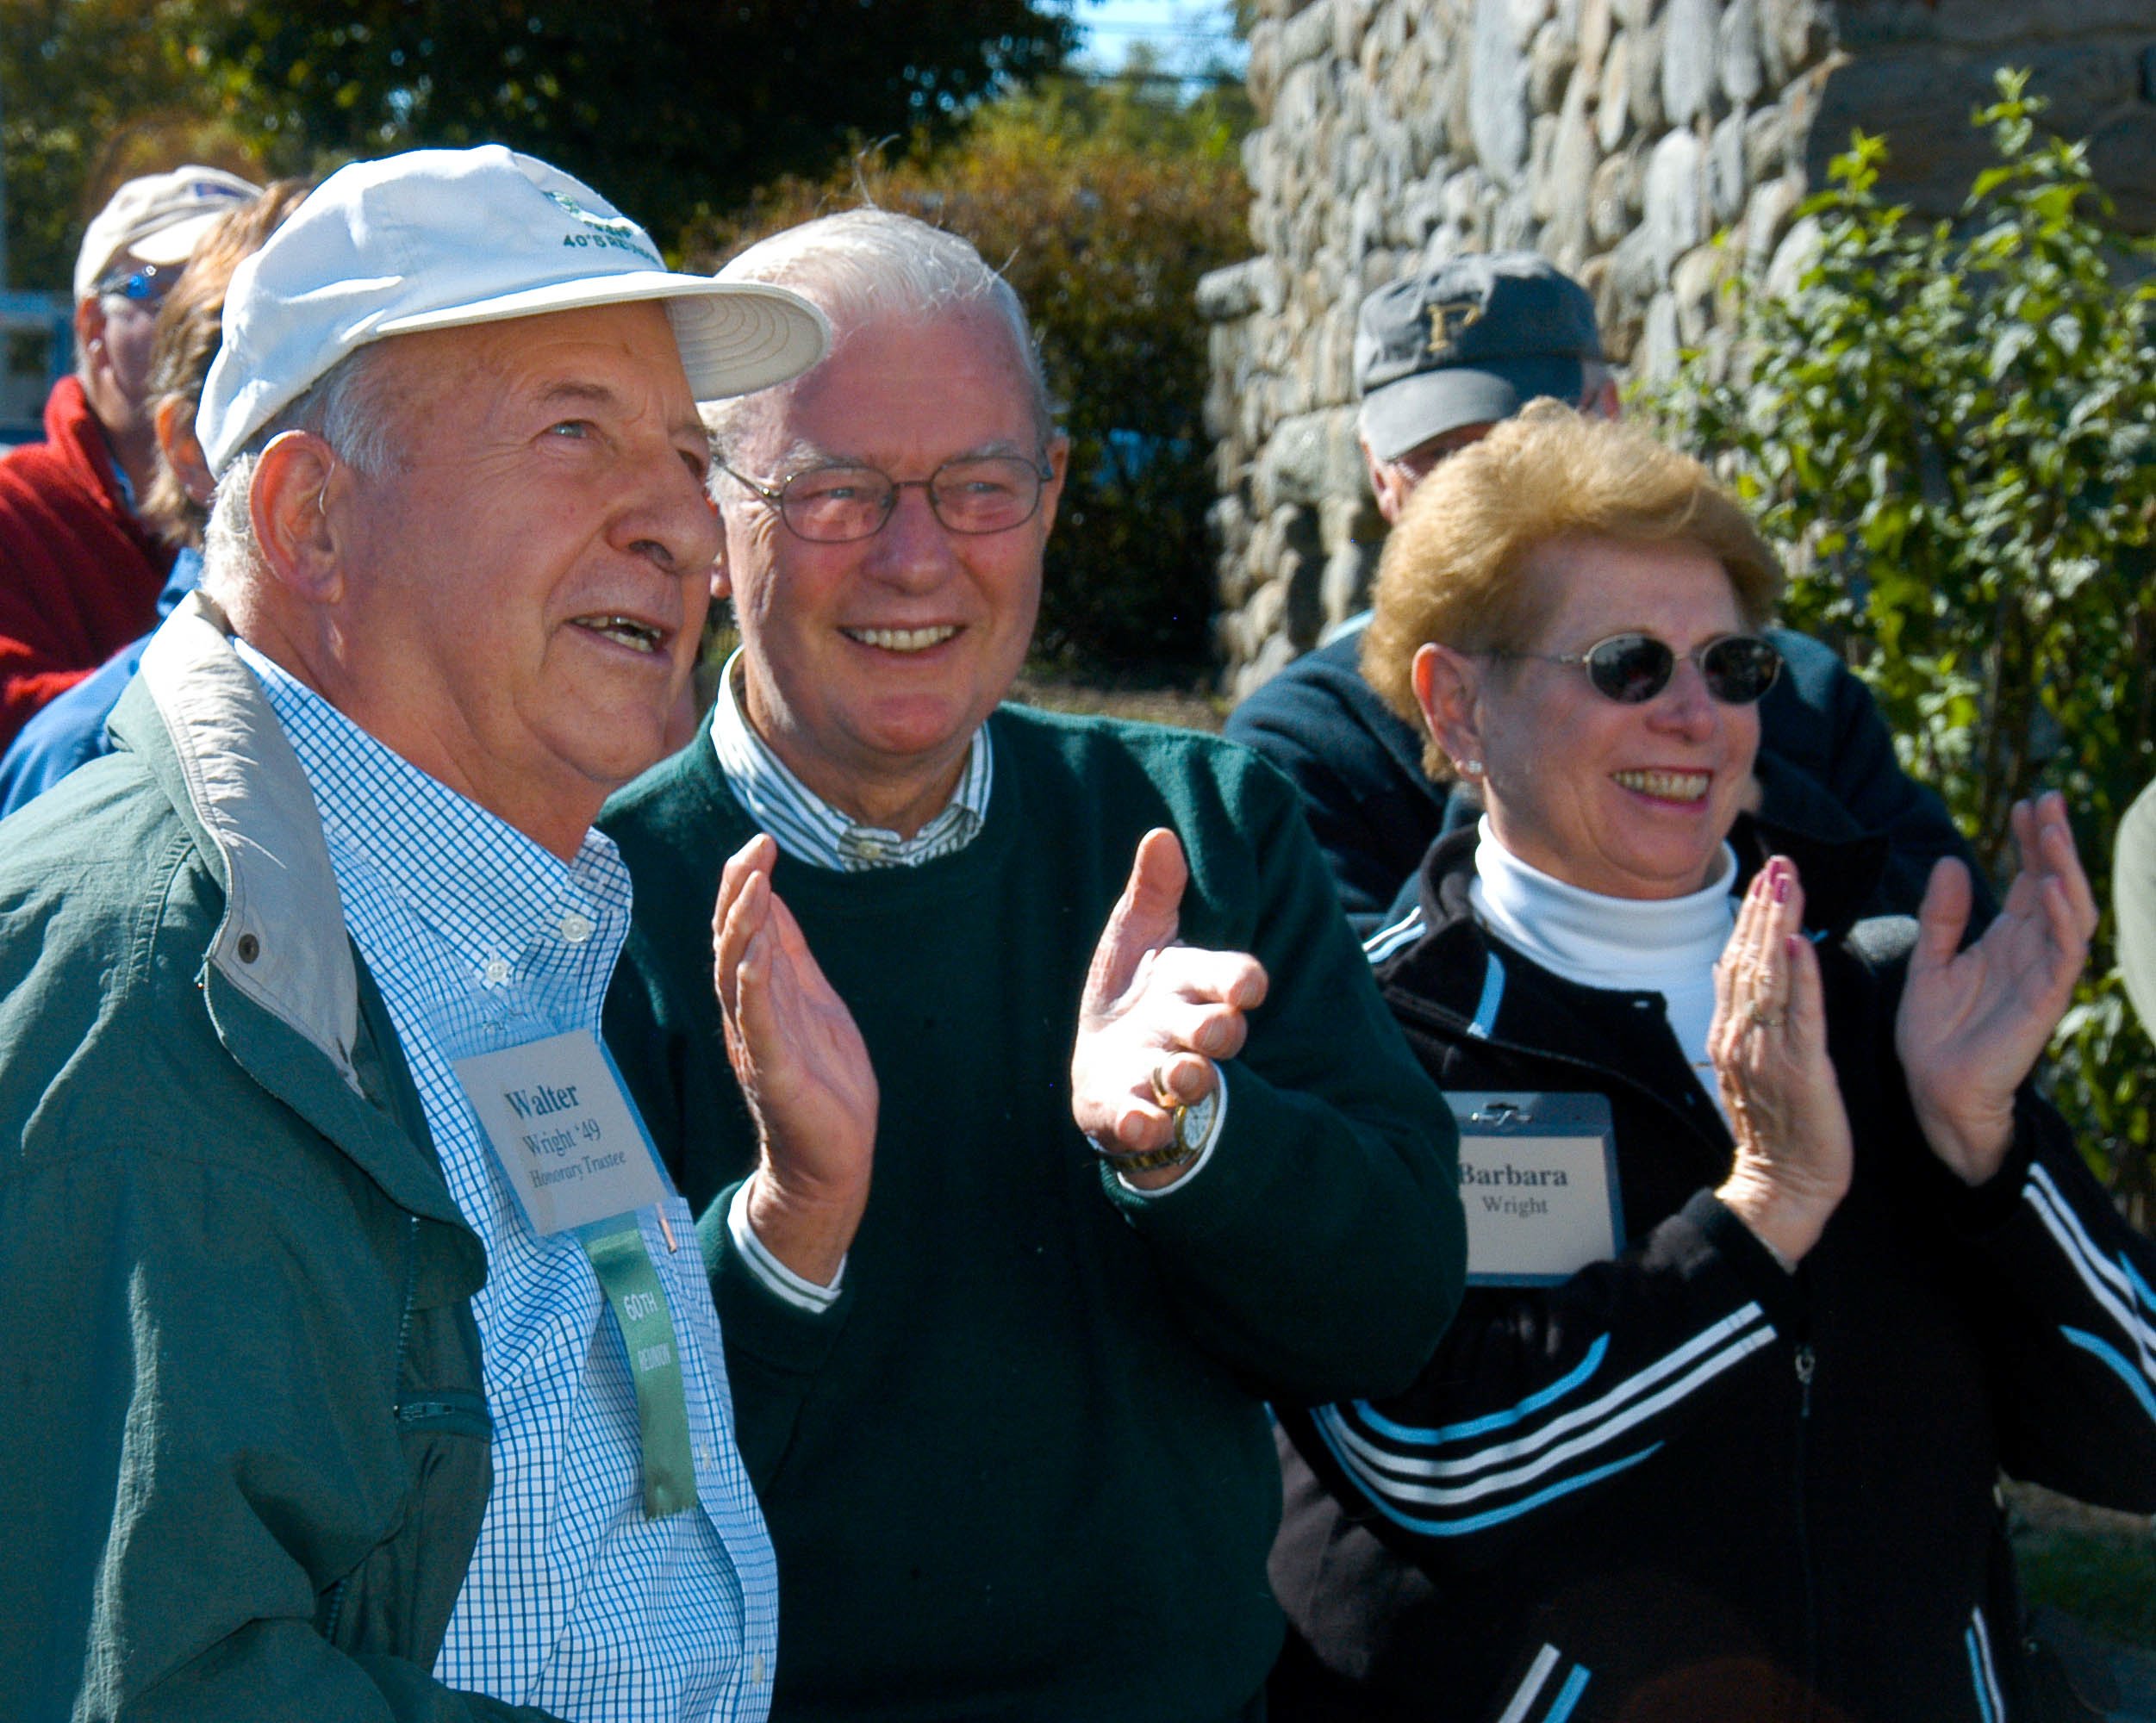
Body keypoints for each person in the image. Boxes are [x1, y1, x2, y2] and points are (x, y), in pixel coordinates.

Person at [599, 208, 1466, 1722]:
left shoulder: (1203, 832)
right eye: (833, 491)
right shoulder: (589, 900)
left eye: (981, 485)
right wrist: (790, 1225)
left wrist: (1195, 1144)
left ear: (1053, 493)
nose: (916, 556)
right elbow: (593, 1467)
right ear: (709, 509)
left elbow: (1389, 1317)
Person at [0, 146, 831, 1720]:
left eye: (685, 454)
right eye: (574, 430)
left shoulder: (495, 921)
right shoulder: (148, 976)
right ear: (309, 513)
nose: (683, 529)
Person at [1267, 403, 2156, 1722]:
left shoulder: (1890, 1004)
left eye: (1733, 665)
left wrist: (1985, 1148)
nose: (1693, 715)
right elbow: (1427, 1459)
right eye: (1626, 664)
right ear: (1456, 703)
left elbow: (2131, 1439)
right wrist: (1756, 1222)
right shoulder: (1361, 1035)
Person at [1224, 252, 1984, 938]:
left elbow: (1955, 952)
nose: (1501, 485)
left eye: (1535, 431)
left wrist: (1745, 794)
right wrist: (1503, 784)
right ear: (1381, 476)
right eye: (1445, 458)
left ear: (1612, 418)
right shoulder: (1300, 748)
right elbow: (1331, 1033)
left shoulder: (1797, 697)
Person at [0, 178, 311, 817]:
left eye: (257, 285)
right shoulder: (17, 507)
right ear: (92, 325)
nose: (228, 319)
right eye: (169, 288)